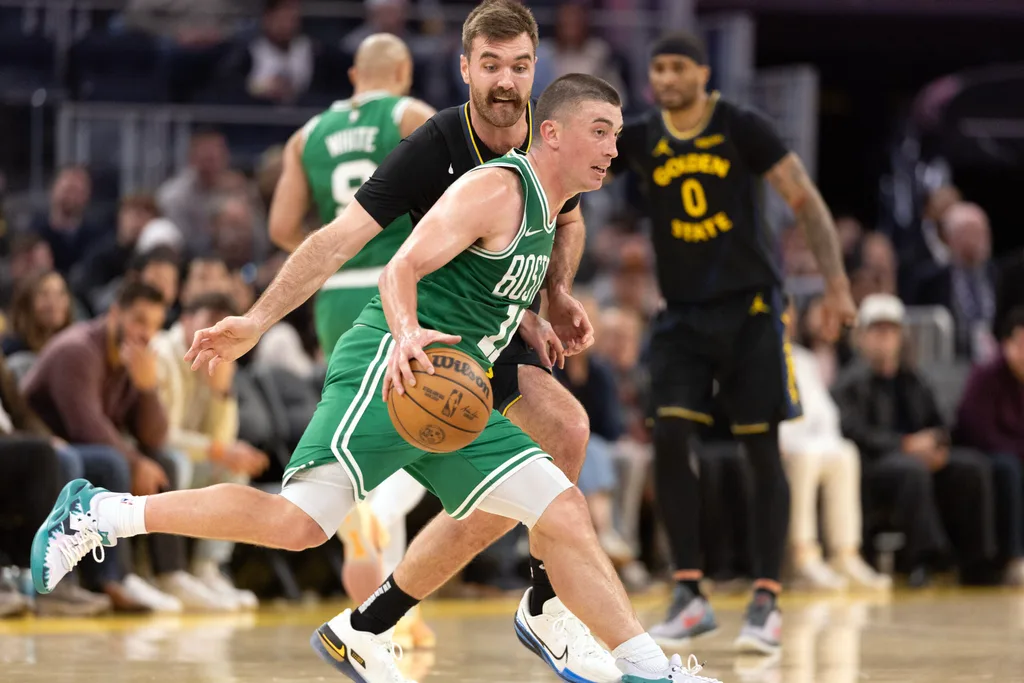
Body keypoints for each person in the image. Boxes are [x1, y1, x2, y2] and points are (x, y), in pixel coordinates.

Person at [32, 73, 717, 683]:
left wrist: (535, 313)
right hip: (393, 366)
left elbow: (487, 292)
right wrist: (406, 328)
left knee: (562, 506)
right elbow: (401, 267)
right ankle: (100, 513)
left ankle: (647, 668)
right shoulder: (495, 188)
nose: (612, 148)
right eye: (600, 132)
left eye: (617, 135)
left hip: (459, 392)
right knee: (299, 522)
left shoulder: (552, 210)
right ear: (553, 132)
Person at [268, 2, 611, 674]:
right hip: (412, 307)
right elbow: (359, 240)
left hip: (379, 299)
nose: (506, 80)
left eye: (518, 66)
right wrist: (255, 319)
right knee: (433, 436)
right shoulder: (418, 127)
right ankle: (381, 509)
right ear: (454, 71)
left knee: (562, 434)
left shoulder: (308, 132)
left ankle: (530, 602)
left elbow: (290, 228)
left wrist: (552, 292)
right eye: (492, 66)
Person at [609, 31, 857, 654]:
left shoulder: (742, 125)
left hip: (750, 312)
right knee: (667, 436)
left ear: (702, 72)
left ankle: (767, 599)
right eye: (657, 68)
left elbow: (804, 199)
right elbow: (571, 178)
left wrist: (836, 286)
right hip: (682, 316)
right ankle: (689, 592)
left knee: (760, 450)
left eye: (676, 67)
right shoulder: (640, 137)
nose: (665, 78)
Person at [151, 291, 270, 608]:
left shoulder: (218, 357)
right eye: (207, 325)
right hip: (151, 456)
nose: (212, 335)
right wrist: (218, 450)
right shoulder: (163, 354)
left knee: (232, 471)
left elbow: (224, 440)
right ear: (186, 320)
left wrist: (222, 392)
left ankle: (207, 569)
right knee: (179, 462)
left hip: (187, 460)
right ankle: (167, 573)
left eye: (221, 328)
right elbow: (160, 436)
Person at [778, 297, 891, 592]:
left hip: (812, 443)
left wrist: (825, 439)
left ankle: (845, 553)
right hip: (781, 447)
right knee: (805, 458)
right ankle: (802, 555)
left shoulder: (804, 360)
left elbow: (825, 413)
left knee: (845, 453)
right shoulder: (752, 358)